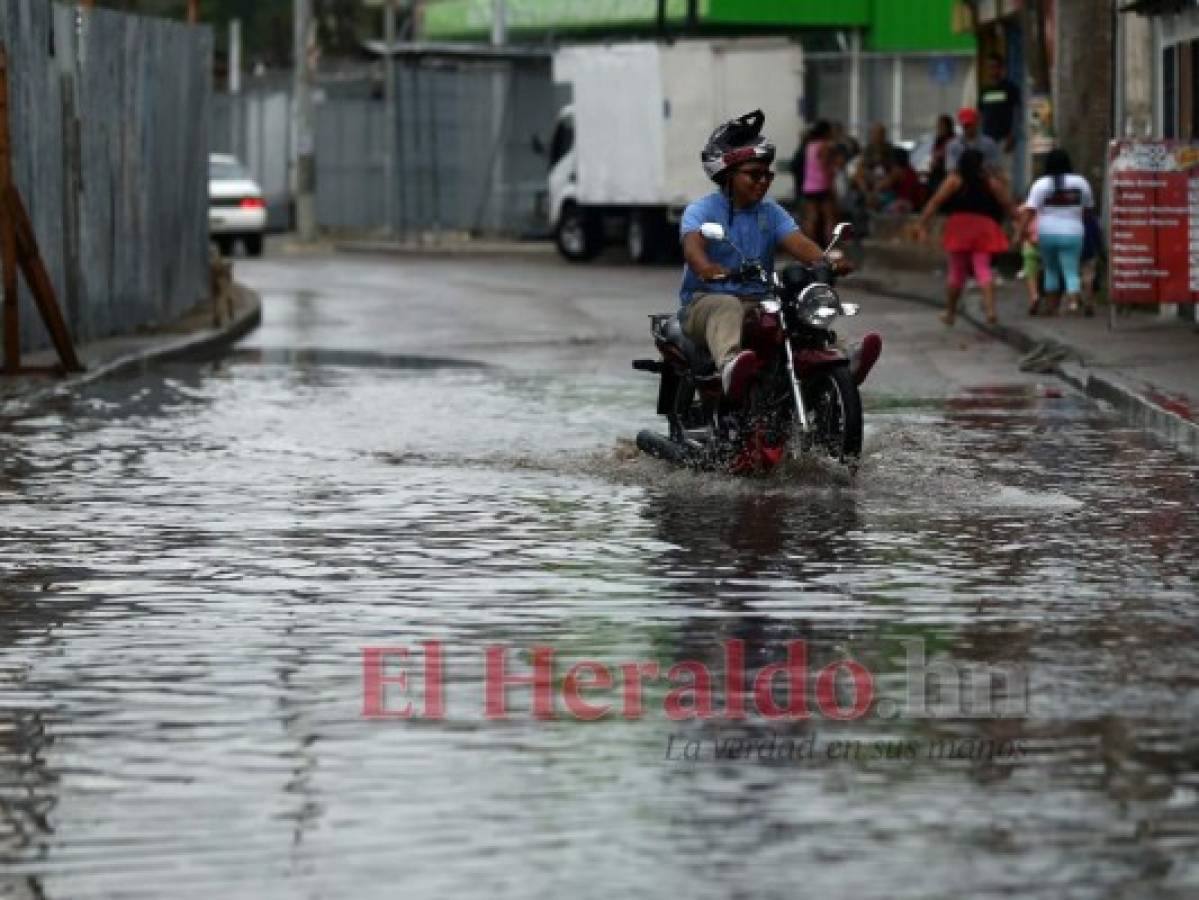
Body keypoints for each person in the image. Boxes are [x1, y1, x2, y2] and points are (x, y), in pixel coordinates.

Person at [680, 110, 881, 401]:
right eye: (754, 174)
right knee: (727, 305)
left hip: (760, 301)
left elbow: (799, 243)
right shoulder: (701, 210)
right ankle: (729, 368)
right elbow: (693, 246)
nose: (763, 181)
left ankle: (845, 353)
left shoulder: (770, 212)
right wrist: (707, 268)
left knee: (799, 310)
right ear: (727, 176)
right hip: (704, 302)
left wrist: (827, 262)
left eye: (767, 175)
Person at [913, 148, 1015, 326]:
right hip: (984, 227)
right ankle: (991, 311)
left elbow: (935, 202)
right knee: (983, 269)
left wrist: (922, 223)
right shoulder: (991, 183)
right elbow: (1007, 204)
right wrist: (1020, 221)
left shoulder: (954, 181)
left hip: (959, 227)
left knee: (956, 272)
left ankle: (950, 312)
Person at [1015, 148, 1096, 316]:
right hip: (1073, 232)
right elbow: (1088, 209)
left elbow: (1030, 211)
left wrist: (1020, 233)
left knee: (1051, 269)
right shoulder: (1081, 182)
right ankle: (1073, 303)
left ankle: (1051, 306)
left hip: (1047, 232)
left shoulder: (1041, 184)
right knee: (1071, 269)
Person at [792, 120, 837, 245]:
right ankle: (831, 246)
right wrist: (832, 174)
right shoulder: (825, 146)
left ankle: (810, 245)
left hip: (809, 186)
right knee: (829, 218)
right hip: (822, 185)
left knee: (812, 217)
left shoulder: (809, 146)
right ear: (826, 132)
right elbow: (825, 166)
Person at [978, 53, 1020, 175]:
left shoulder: (1010, 89)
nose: (992, 70)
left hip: (1004, 138)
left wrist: (1012, 134)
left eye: (995, 67)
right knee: (988, 171)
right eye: (990, 67)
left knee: (1005, 172)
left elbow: (1016, 113)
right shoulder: (984, 90)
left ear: (1001, 68)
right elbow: (981, 113)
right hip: (987, 138)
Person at [945, 108, 1002, 177]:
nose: (967, 128)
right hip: (961, 176)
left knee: (998, 182)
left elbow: (995, 165)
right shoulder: (953, 144)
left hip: (983, 175)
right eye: (965, 125)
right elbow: (951, 168)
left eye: (970, 124)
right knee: (951, 181)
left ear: (977, 123)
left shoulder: (989, 143)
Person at [872, 147, 923, 214]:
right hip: (905, 204)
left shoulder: (906, 173)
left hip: (909, 208)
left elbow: (885, 184)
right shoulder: (907, 170)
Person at [926, 114, 956, 198]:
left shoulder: (954, 140)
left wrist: (940, 155)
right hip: (937, 170)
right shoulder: (938, 140)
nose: (939, 128)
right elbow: (934, 155)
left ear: (948, 127)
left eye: (941, 126)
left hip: (948, 170)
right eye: (938, 126)